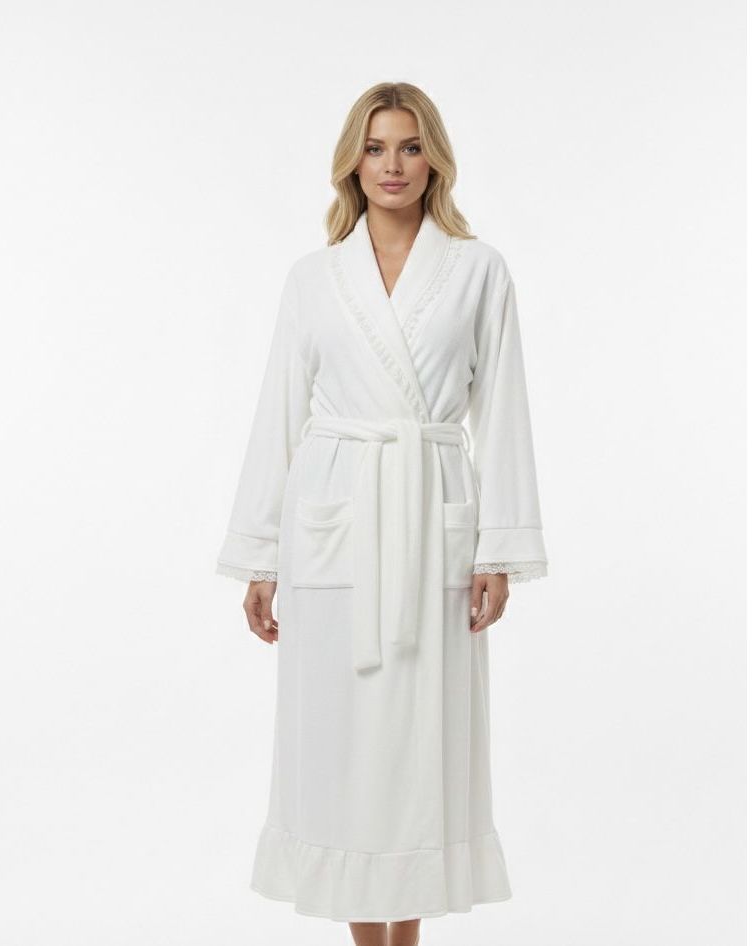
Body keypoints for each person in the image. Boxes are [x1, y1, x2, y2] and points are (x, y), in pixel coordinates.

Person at [215, 81, 548, 946]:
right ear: (350, 164)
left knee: (418, 752)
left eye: (408, 146)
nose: (391, 165)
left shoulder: (477, 269)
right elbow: (278, 413)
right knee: (344, 751)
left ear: (433, 158)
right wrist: (260, 556)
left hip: (430, 522)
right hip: (333, 528)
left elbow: (503, 411)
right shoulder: (313, 278)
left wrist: (497, 550)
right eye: (373, 148)